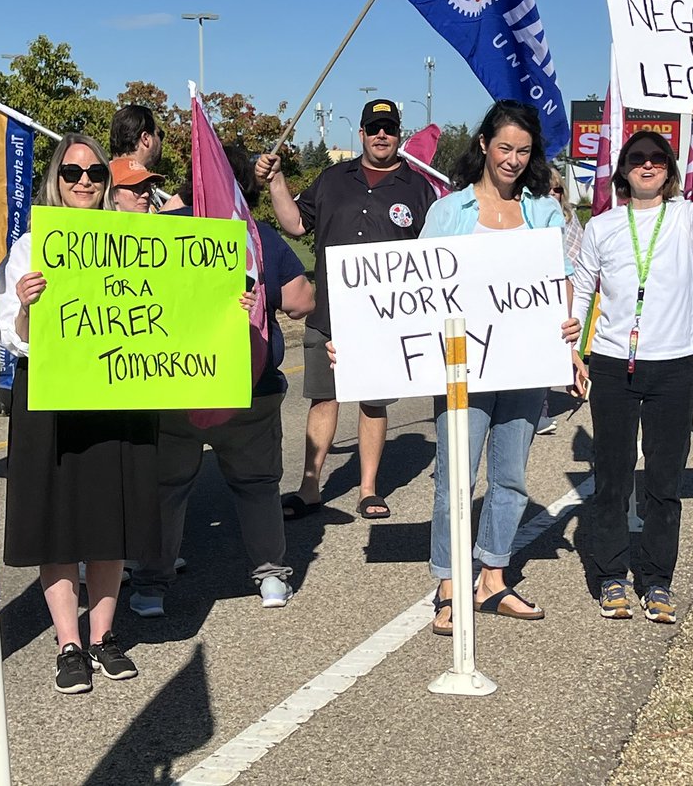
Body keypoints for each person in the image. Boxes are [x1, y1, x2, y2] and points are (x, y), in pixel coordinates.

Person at [0, 134, 158, 694]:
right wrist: (27, 307)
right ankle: (69, 643)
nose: (84, 181)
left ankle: (104, 635)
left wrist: (225, 305)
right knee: (59, 523)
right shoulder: (30, 248)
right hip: (53, 399)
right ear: (55, 179)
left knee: (110, 517)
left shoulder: (135, 240)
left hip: (116, 391)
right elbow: (14, 338)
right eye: (71, 172)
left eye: (94, 172)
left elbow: (175, 310)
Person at [569, 104, 693, 625]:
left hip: (673, 367)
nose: (647, 165)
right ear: (623, 170)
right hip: (613, 366)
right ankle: (612, 576)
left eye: (657, 159)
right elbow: (582, 288)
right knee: (613, 478)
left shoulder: (687, 216)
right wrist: (574, 349)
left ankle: (657, 580)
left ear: (669, 172)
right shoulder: (602, 226)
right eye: (638, 158)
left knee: (664, 482)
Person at [418, 101, 581, 636]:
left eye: (524, 151)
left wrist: (570, 335)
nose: (513, 159)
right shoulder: (450, 211)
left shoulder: (543, 212)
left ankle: (492, 577)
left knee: (510, 477)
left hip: (525, 365)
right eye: (505, 147)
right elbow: (412, 287)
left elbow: (560, 281)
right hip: (462, 368)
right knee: (456, 478)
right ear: (484, 144)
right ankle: (449, 585)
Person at [130, 145, 315, 613]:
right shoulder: (257, 236)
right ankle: (271, 577)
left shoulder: (159, 232)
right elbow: (301, 302)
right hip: (249, 387)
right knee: (257, 485)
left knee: (166, 489)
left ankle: (151, 587)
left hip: (174, 384)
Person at [257, 98, 435, 521]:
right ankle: (309, 487)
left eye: (389, 128)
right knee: (324, 398)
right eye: (373, 128)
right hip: (330, 315)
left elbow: (433, 255)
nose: (381, 135)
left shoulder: (418, 189)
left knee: (373, 403)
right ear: (361, 134)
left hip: (386, 321)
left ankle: (368, 489)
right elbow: (295, 224)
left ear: (399, 134)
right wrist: (276, 180)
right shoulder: (332, 178)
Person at [537, 168, 585, 435]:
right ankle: (536, 410)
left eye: (557, 189)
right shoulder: (530, 215)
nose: (552, 193)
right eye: (547, 189)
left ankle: (540, 409)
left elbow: (578, 255)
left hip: (564, 288)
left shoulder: (570, 218)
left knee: (556, 345)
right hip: (535, 291)